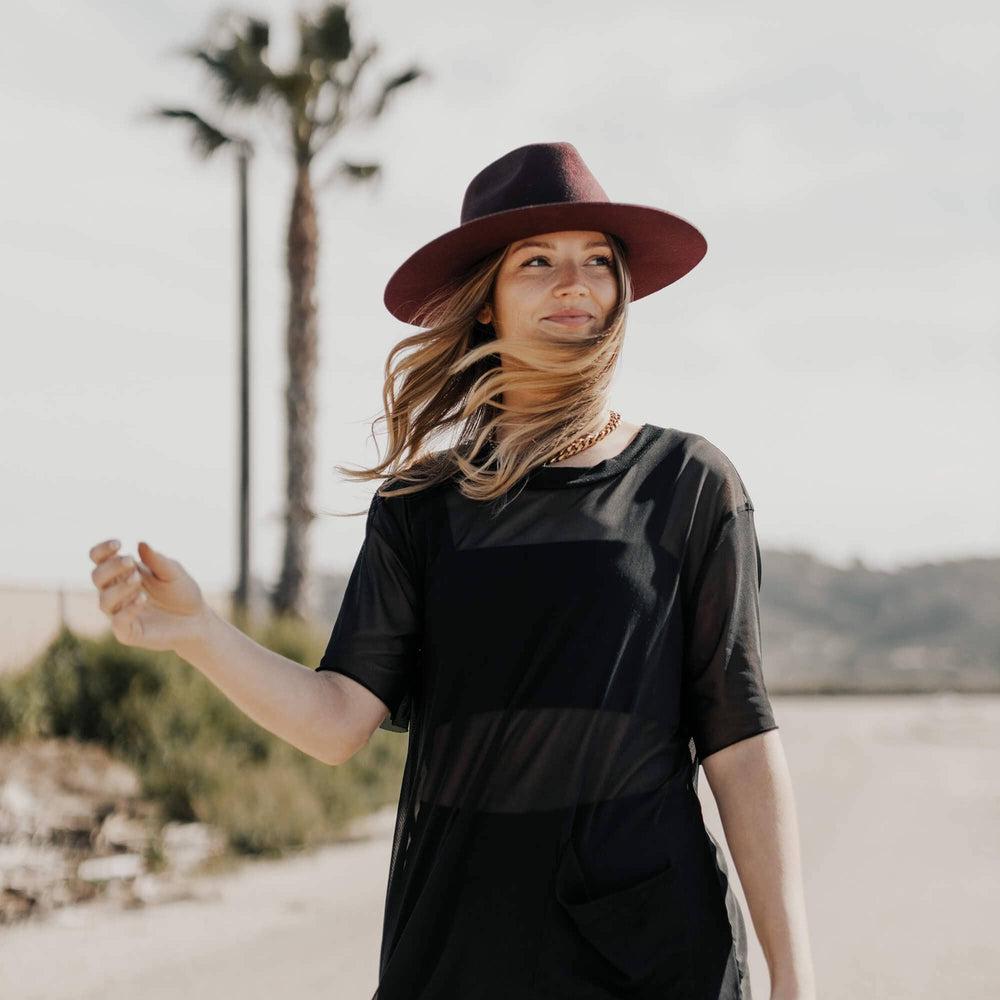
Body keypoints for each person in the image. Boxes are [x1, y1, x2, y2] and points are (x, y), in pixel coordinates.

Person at [88, 141, 816, 1000]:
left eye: (596, 261)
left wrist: (794, 978)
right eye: (536, 262)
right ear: (486, 305)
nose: (573, 283)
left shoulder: (690, 485)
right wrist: (199, 635)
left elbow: (738, 737)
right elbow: (336, 721)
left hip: (654, 953)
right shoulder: (423, 506)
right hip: (463, 950)